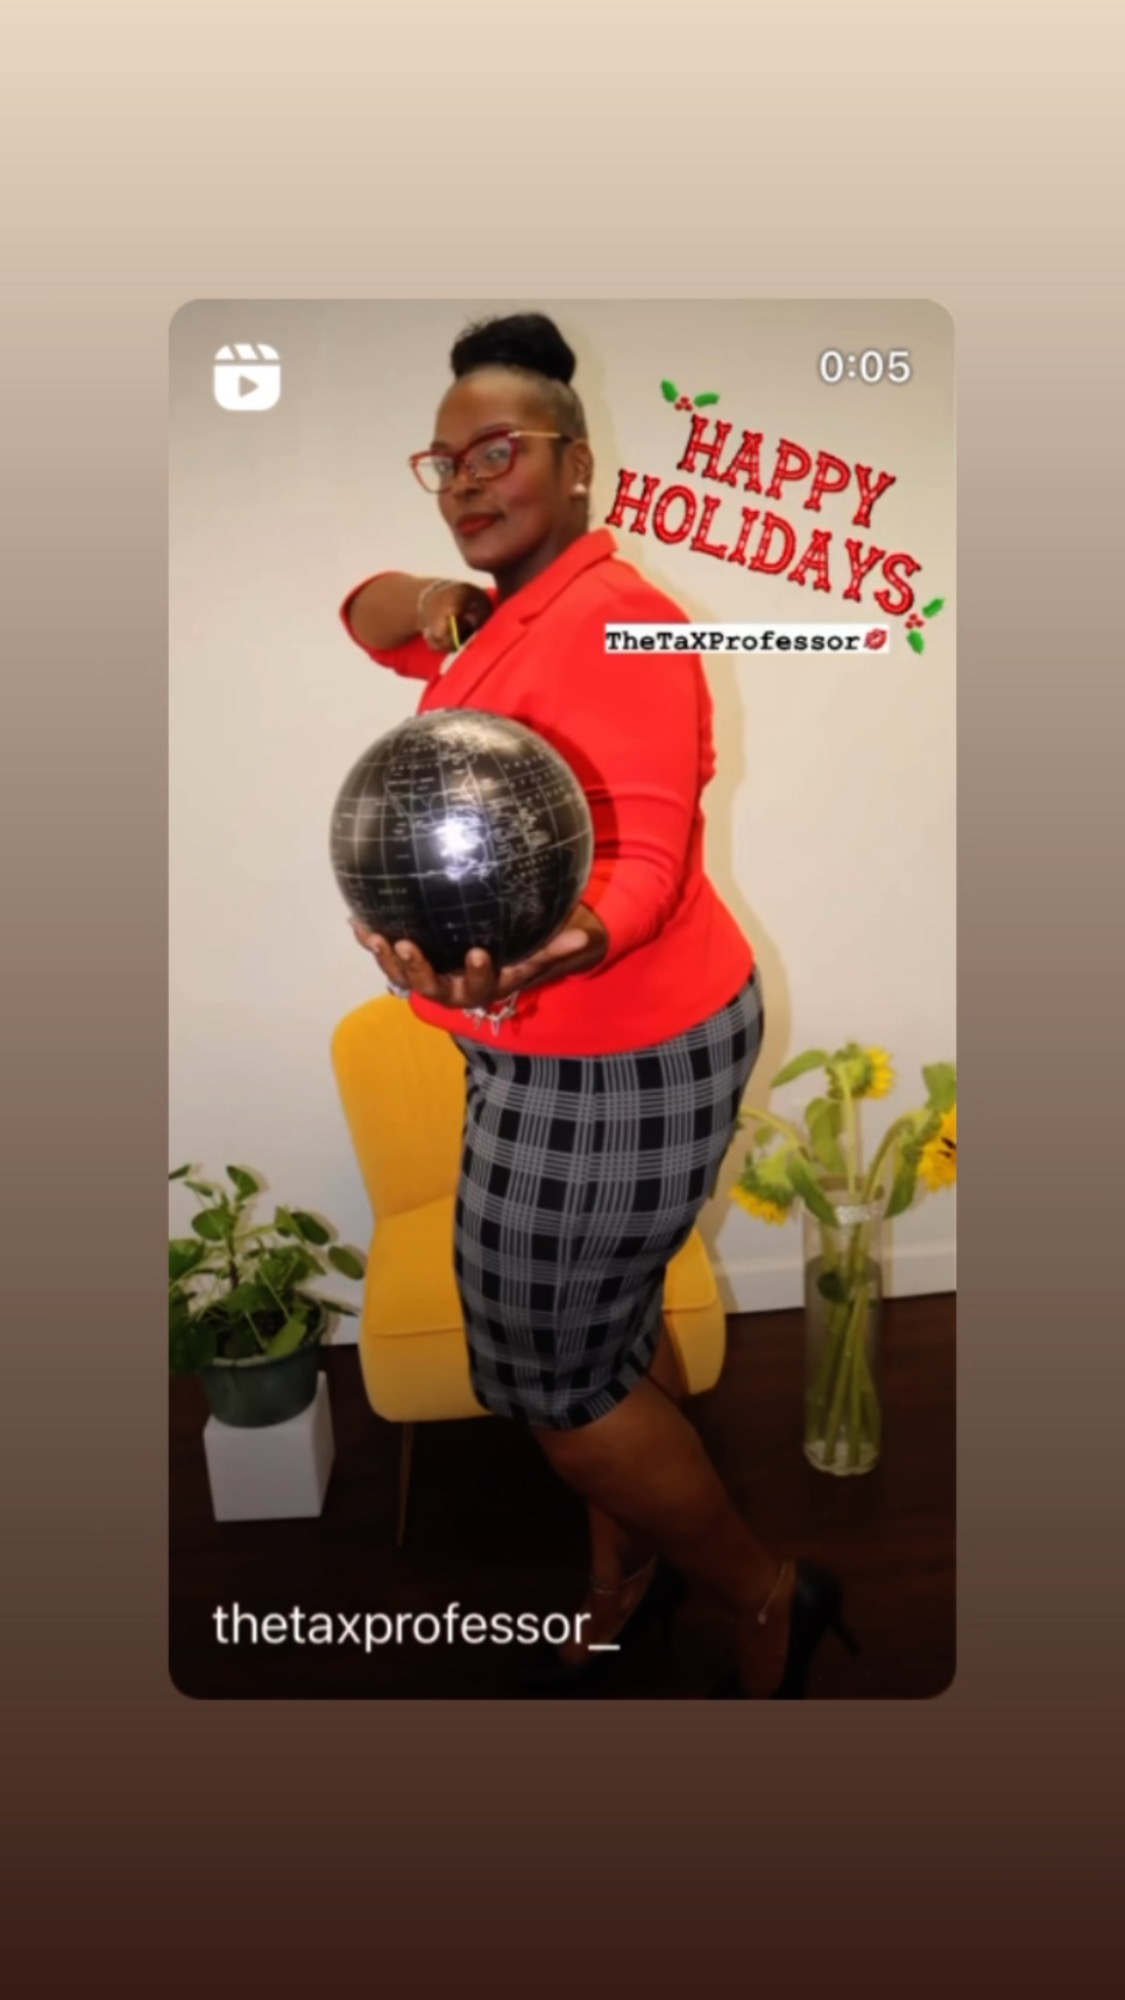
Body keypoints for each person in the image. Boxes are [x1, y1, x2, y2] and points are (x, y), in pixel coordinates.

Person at [339, 311, 856, 1697]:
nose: (464, 482)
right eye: (444, 461)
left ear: (577, 463)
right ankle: (624, 1576)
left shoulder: (621, 619)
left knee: (548, 1378)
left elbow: (649, 857)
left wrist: (544, 955)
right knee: (602, 1330)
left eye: (497, 451)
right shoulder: (505, 619)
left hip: (622, 1049)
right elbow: (365, 609)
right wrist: (437, 601)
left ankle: (767, 1595)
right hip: (534, 1044)